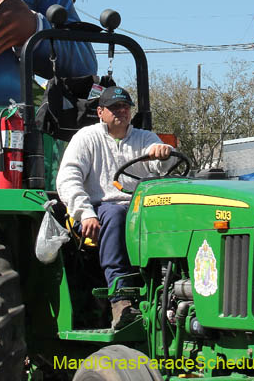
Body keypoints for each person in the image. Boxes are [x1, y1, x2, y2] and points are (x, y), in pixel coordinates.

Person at [56, 87, 174, 329]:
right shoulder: (87, 138)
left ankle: (169, 292)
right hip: (98, 209)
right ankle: (120, 301)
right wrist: (85, 212)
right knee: (117, 214)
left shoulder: (145, 138)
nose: (121, 111)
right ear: (101, 112)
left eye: (125, 107)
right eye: (114, 107)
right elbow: (68, 177)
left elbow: (166, 164)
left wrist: (164, 154)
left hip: (139, 210)